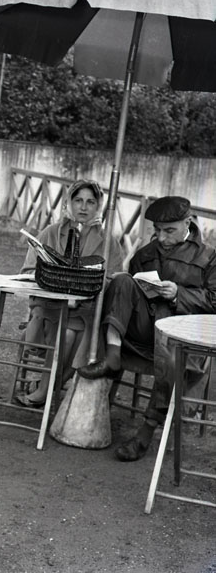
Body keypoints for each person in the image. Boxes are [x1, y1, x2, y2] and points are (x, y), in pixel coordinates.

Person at [77, 196, 216, 461]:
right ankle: (113, 357)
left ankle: (146, 430)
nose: (162, 238)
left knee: (170, 354)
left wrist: (179, 294)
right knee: (122, 281)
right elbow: (128, 295)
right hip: (144, 332)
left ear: (188, 222)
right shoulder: (145, 254)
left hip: (184, 338)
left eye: (169, 231)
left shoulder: (209, 257)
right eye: (157, 230)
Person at [15, 179, 124, 407]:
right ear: (69, 203)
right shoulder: (50, 233)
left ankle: (45, 389)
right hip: (47, 311)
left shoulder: (108, 243)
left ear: (98, 207)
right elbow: (27, 271)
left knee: (74, 331)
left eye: (90, 202)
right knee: (67, 333)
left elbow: (114, 282)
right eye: (78, 201)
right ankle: (48, 390)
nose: (83, 207)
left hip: (86, 314)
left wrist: (87, 286)